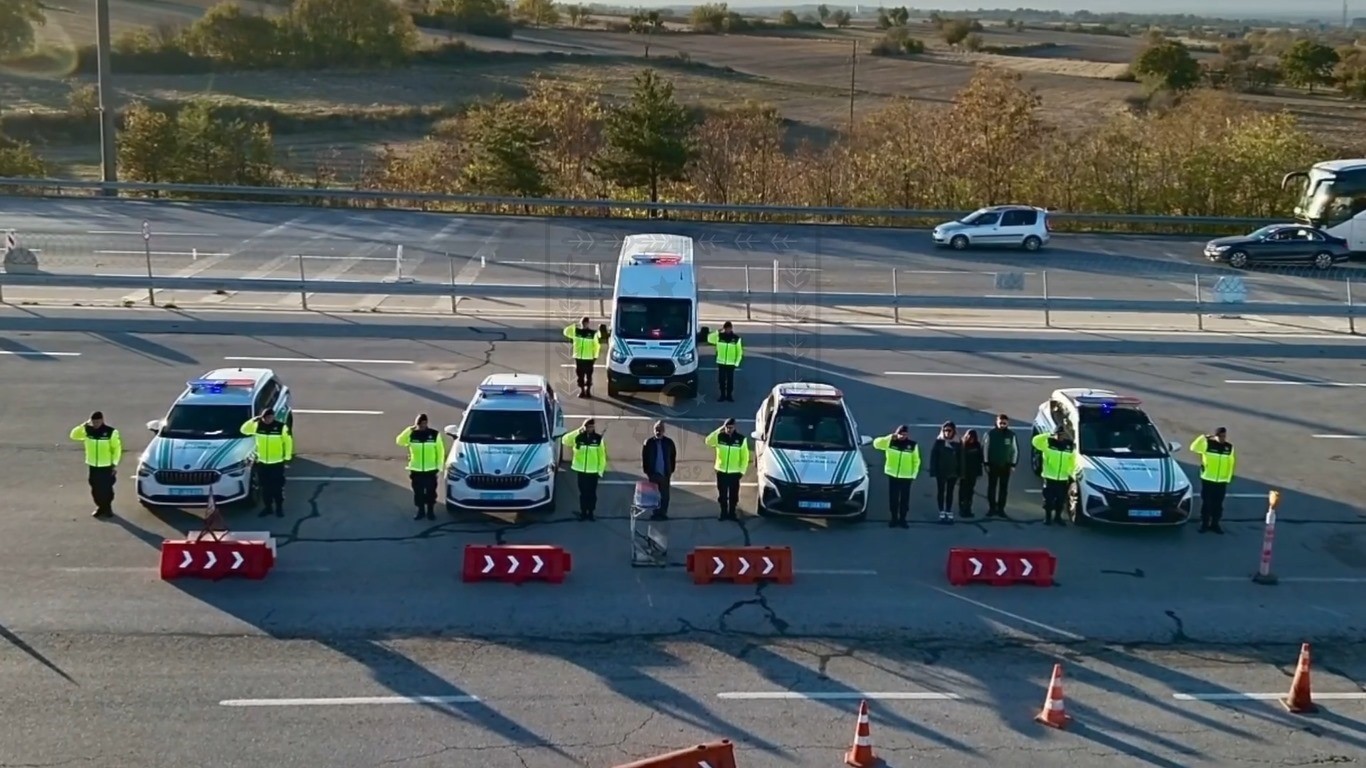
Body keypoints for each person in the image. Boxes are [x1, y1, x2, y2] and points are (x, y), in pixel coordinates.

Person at [69, 410, 122, 518]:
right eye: (94, 422)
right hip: (93, 465)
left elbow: (116, 448)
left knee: (106, 488)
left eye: (97, 422)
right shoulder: (87, 431)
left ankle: (107, 508)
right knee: (95, 488)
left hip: (106, 465)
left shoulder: (110, 432)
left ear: (102, 420)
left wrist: (114, 463)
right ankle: (100, 507)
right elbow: (73, 435)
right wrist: (83, 425)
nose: (96, 424)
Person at [241, 409, 293, 518]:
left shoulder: (281, 427)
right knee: (265, 488)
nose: (267, 419)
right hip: (263, 463)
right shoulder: (258, 426)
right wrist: (254, 419)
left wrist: (287, 456)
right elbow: (244, 430)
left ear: (273, 416)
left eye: (269, 417)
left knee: (277, 487)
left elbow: (288, 442)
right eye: (265, 417)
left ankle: (279, 507)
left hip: (277, 463)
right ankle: (268, 508)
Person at [396, 413, 445, 521]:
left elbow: (440, 452)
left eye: (423, 423)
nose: (422, 425)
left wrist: (439, 467)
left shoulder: (434, 434)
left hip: (431, 470)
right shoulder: (412, 434)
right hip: (416, 469)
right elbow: (399, 441)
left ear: (426, 423)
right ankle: (421, 511)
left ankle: (430, 511)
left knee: (431, 492)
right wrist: (409, 429)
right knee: (418, 492)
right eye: (419, 424)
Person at [872, 425, 920, 528]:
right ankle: (894, 518)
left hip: (907, 476)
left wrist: (913, 475)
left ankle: (903, 519)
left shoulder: (912, 445)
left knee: (904, 499)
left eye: (904, 434)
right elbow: (876, 444)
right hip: (893, 474)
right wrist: (889, 437)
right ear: (896, 433)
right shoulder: (890, 442)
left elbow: (916, 461)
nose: (902, 436)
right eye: (900, 434)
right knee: (893, 498)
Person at [1190, 427, 1236, 534]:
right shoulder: (1208, 445)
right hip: (1208, 479)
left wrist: (1228, 478)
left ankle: (1215, 524)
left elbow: (1231, 462)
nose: (1222, 438)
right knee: (1207, 503)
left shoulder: (1229, 447)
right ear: (1215, 436)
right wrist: (1202, 438)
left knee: (1218, 504)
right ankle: (1204, 524)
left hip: (1221, 480)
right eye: (1220, 436)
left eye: (1224, 436)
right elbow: (1193, 448)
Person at [561, 418, 607, 521]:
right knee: (583, 493)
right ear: (584, 427)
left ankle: (590, 512)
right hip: (581, 470)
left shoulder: (598, 439)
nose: (590, 429)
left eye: (592, 427)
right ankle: (583, 512)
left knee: (592, 493)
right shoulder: (578, 437)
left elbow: (602, 456)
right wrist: (578, 431)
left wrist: (600, 471)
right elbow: (565, 440)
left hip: (593, 471)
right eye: (588, 427)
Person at [705, 417, 750, 521]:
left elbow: (745, 457)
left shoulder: (741, 439)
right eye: (727, 427)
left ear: (734, 427)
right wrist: (718, 430)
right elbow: (708, 441)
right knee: (722, 495)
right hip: (721, 471)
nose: (729, 429)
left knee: (734, 495)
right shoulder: (719, 437)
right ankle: (723, 513)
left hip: (735, 473)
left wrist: (742, 471)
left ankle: (732, 513)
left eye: (731, 427)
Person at [1031, 425, 1076, 526]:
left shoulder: (1068, 446)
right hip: (1050, 477)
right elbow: (1035, 441)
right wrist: (1048, 435)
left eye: (1061, 435)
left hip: (1063, 478)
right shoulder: (1048, 443)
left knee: (1060, 500)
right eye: (1057, 435)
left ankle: (1058, 517)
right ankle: (1047, 517)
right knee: (1048, 500)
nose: (1060, 437)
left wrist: (1071, 472)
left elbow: (1072, 460)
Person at [640, 421, 677, 520]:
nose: (658, 432)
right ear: (653, 430)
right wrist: (647, 471)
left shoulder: (669, 443)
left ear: (663, 431)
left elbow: (673, 457)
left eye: (660, 430)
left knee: (665, 495)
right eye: (656, 430)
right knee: (654, 495)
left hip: (665, 473)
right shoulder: (649, 443)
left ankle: (663, 513)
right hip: (653, 473)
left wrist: (670, 470)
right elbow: (645, 457)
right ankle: (655, 513)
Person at [984, 413, 1019, 519]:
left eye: (1004, 423)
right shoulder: (990, 434)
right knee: (992, 487)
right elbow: (985, 448)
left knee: (1003, 488)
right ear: (996, 422)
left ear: (1007, 423)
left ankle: (1001, 509)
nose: (1002, 425)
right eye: (1000, 423)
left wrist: (1013, 464)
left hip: (1006, 466)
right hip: (993, 465)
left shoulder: (1011, 435)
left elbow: (1015, 450)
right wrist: (986, 463)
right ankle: (991, 508)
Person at [930, 421, 962, 523]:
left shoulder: (958, 443)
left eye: (949, 430)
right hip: (941, 472)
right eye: (945, 430)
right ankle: (941, 512)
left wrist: (961, 472)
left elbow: (961, 458)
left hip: (953, 472)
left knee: (950, 492)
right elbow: (933, 457)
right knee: (941, 492)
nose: (947, 432)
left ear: (953, 431)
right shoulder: (939, 442)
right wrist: (933, 471)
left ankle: (948, 511)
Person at [562, 316, 603, 398]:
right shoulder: (576, 332)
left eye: (585, 323)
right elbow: (565, 332)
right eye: (582, 323)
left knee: (588, 376)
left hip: (589, 358)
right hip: (579, 358)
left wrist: (595, 356)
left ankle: (588, 391)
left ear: (588, 323)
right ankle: (582, 391)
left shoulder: (592, 333)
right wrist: (574, 325)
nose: (583, 324)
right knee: (580, 376)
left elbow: (596, 346)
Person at [706, 321, 744, 402]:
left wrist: (737, 362)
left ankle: (729, 395)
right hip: (721, 362)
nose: (728, 330)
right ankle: (722, 395)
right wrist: (717, 331)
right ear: (724, 329)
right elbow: (709, 339)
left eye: (729, 328)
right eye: (726, 328)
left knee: (730, 381)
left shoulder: (736, 338)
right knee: (721, 380)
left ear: (731, 328)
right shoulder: (719, 337)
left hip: (731, 363)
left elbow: (739, 351)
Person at [959, 429, 985, 519]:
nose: (971, 439)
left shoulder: (977, 446)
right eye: (969, 437)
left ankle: (968, 509)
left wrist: (979, 472)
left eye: (973, 438)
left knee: (970, 492)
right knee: (963, 491)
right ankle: (962, 509)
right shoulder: (962, 445)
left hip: (973, 473)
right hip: (964, 473)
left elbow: (980, 460)